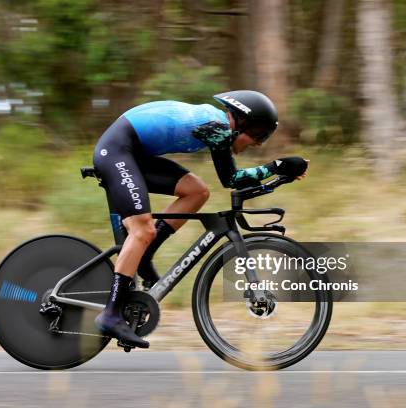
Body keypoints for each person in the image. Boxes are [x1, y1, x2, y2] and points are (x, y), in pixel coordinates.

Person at [92, 90, 309, 348]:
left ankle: (145, 255)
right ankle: (111, 313)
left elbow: (231, 180)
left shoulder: (217, 123)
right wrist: (278, 166)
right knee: (142, 230)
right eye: (259, 134)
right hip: (117, 152)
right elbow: (231, 179)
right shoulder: (217, 125)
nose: (259, 143)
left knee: (197, 192)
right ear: (241, 121)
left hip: (133, 155)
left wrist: (279, 174)